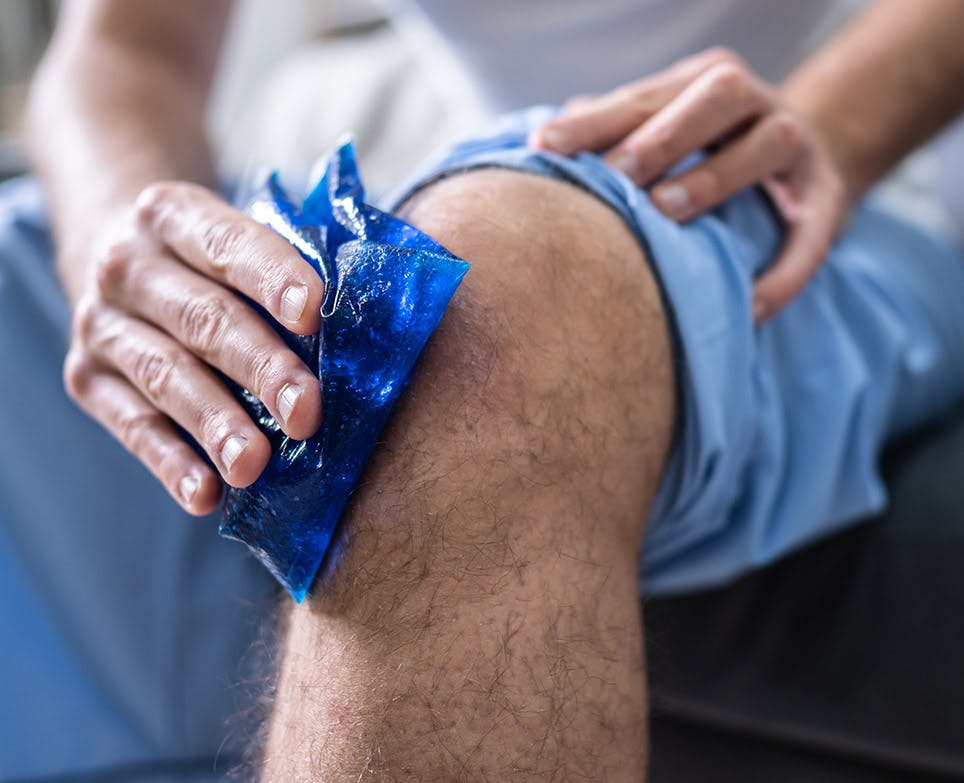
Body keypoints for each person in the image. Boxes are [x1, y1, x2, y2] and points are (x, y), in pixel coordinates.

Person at [5, 0, 964, 779]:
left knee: (469, 337)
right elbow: (128, 50)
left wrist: (821, 129)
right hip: (466, 145)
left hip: (854, 179)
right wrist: (127, 259)